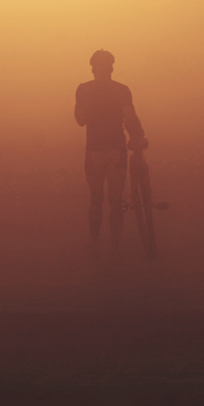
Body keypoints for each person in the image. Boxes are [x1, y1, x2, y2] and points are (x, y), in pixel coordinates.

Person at [75, 49, 146, 259]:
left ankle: (96, 246)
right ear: (112, 67)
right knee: (115, 201)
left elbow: (80, 120)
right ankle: (114, 249)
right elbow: (130, 118)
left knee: (96, 200)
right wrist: (138, 137)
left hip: (94, 150)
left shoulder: (84, 89)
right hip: (117, 151)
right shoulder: (121, 90)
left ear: (92, 67)